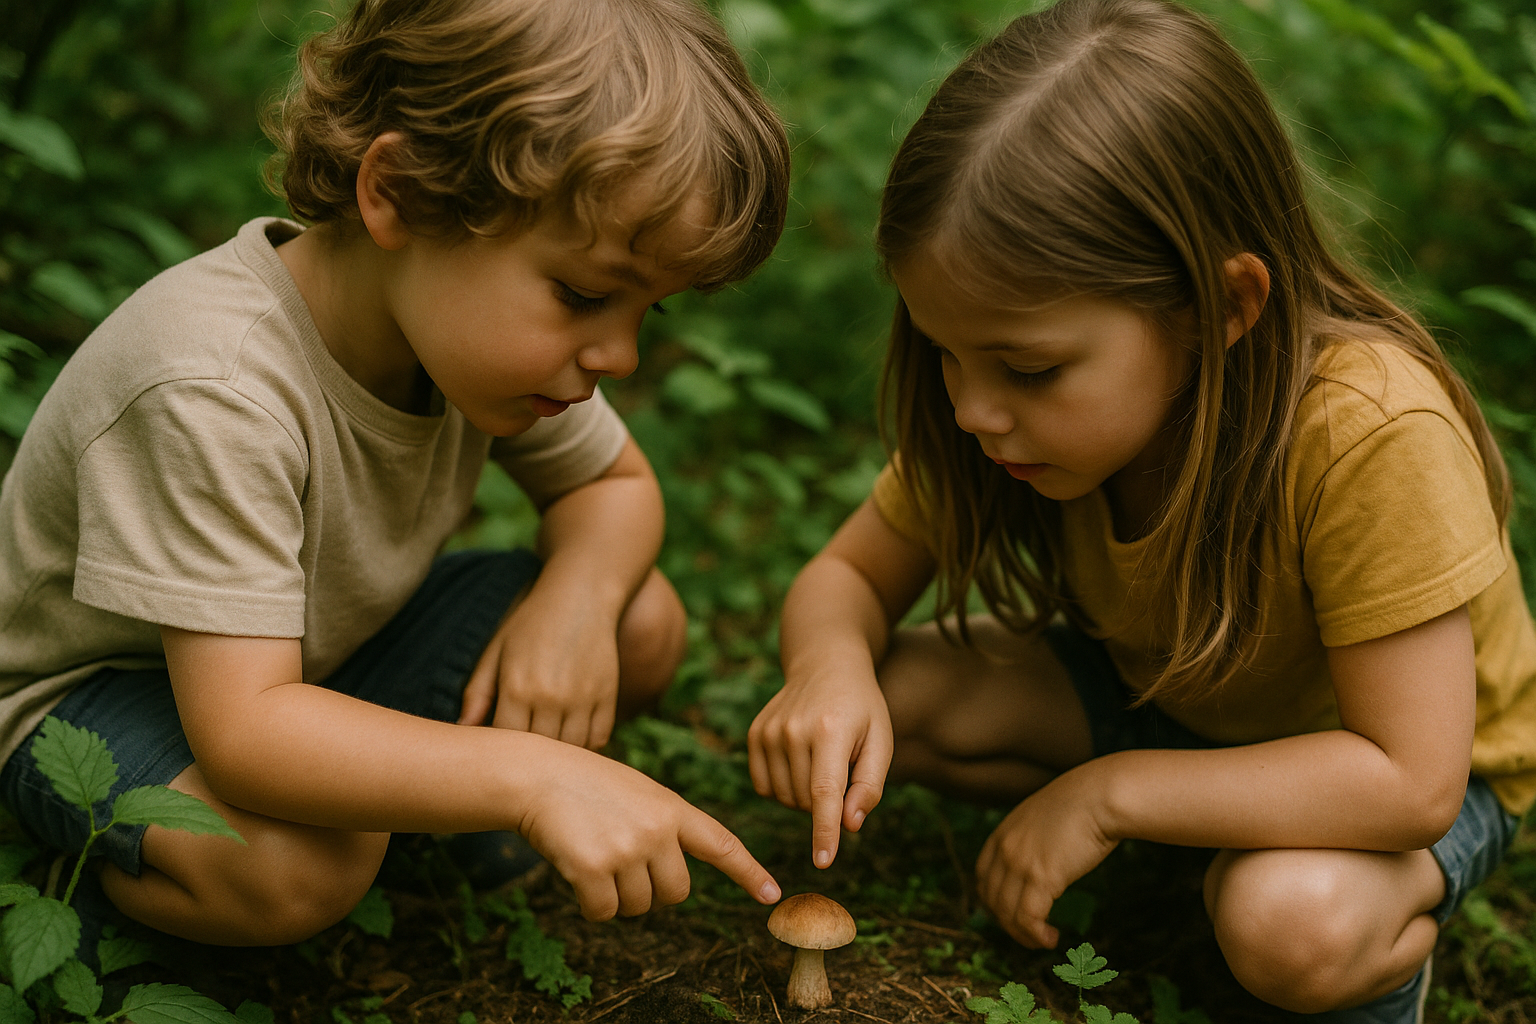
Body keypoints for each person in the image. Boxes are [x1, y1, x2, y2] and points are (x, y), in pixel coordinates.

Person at [747, 1, 1536, 1020]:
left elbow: (1407, 779)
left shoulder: (1368, 431)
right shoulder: (1009, 415)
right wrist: (827, 671)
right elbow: (846, 579)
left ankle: (1363, 943)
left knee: (1286, 917)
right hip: (1177, 705)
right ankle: (1192, 837)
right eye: (945, 349)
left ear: (1225, 308)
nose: (973, 407)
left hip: (1405, 770)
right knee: (888, 696)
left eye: (1030, 367)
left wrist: (1111, 797)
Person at [0, 0, 789, 950]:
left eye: (644, 312)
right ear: (401, 195)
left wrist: (573, 604)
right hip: (95, 702)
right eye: (583, 295)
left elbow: (613, 490)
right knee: (295, 867)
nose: (617, 352)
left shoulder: (451, 329)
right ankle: (60, 892)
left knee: (638, 620)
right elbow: (248, 736)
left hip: (302, 671)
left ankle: (400, 821)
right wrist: (533, 773)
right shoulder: (214, 383)